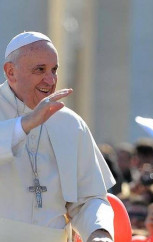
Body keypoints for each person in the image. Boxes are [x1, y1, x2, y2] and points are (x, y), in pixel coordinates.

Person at [0, 31, 116, 241]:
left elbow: (89, 198)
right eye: (40, 70)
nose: (51, 79)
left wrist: (99, 232)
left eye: (54, 70)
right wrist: (26, 124)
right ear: (10, 72)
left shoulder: (70, 123)